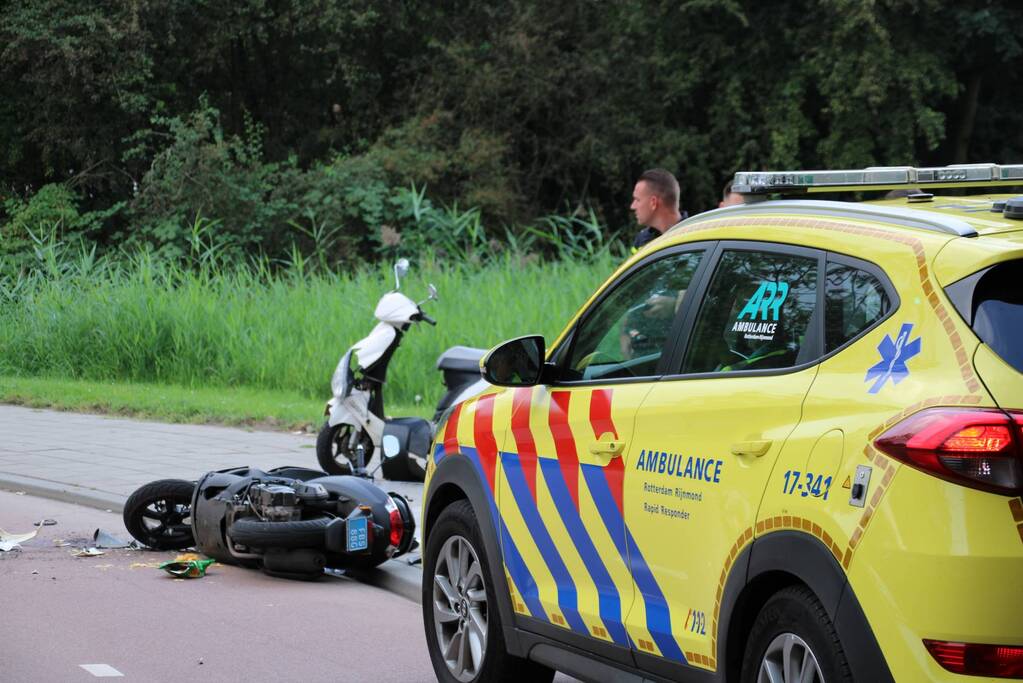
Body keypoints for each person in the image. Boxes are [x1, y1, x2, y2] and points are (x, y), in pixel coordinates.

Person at [630, 168, 687, 251]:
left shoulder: (694, 237)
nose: (632, 206)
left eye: (637, 200)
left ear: (653, 202)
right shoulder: (642, 240)